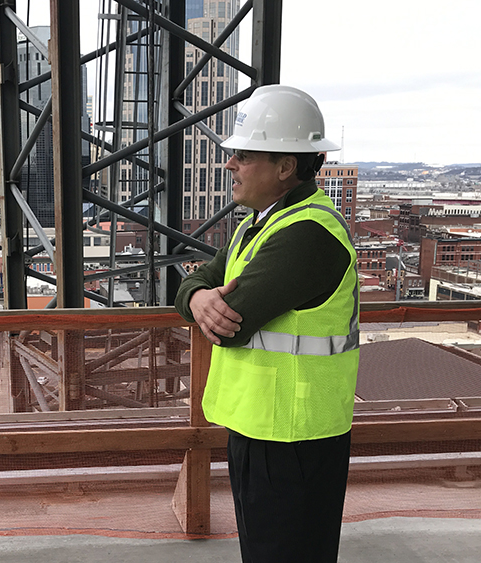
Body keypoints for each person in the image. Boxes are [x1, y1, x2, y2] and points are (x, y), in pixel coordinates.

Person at [175, 85, 358, 563]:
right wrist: (197, 296)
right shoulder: (257, 226)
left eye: (244, 155)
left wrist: (201, 300)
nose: (230, 164)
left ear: (286, 167)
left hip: (295, 437)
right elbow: (188, 288)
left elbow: (231, 324)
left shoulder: (308, 236)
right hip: (264, 427)